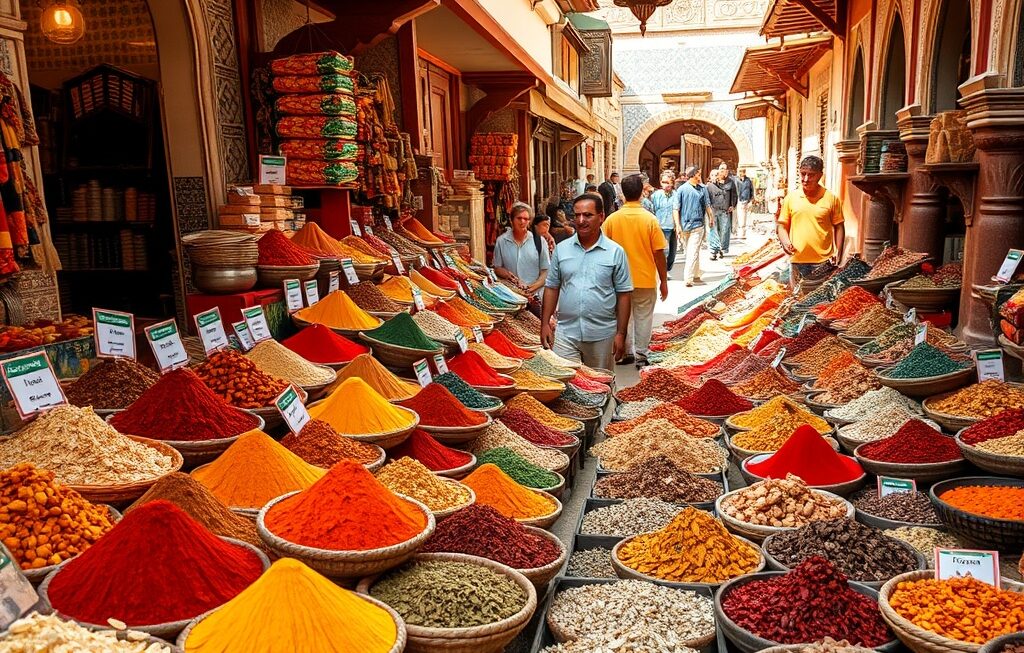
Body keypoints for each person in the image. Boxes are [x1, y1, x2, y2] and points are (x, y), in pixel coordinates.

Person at [541, 193, 633, 371]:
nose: (581, 220)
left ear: (601, 217)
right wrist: (545, 323)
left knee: (600, 387)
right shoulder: (562, 250)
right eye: (577, 215)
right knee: (567, 387)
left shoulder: (615, 252)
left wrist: (621, 333)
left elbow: (624, 294)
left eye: (588, 215)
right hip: (566, 333)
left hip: (602, 335)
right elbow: (552, 287)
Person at [603, 174, 669, 368]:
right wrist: (663, 280)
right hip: (645, 278)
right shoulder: (649, 220)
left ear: (622, 193)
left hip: (618, 281)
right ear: (641, 193)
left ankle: (625, 352)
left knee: (623, 317)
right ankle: (641, 354)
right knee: (643, 317)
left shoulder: (612, 220)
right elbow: (658, 252)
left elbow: (603, 250)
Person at [777, 155, 846, 287]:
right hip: (797, 260)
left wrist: (838, 250)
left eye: (811, 175)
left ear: (820, 175)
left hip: (824, 262)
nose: (806, 179)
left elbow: (839, 226)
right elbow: (782, 226)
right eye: (803, 174)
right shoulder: (791, 198)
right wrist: (785, 242)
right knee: (797, 300)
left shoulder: (831, 198)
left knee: (820, 302)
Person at [492, 202, 550, 299]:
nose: (522, 222)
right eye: (519, 218)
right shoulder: (502, 241)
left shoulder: (539, 241)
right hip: (511, 295)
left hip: (535, 295)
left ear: (529, 221)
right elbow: (497, 267)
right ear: (511, 220)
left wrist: (531, 288)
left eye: (526, 219)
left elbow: (546, 271)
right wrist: (508, 275)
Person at [674, 165, 714, 287]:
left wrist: (711, 217)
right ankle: (696, 273)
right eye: (698, 174)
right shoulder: (681, 190)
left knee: (692, 250)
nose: (700, 176)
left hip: (698, 224)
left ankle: (688, 278)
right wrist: (678, 225)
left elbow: (707, 204)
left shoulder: (703, 189)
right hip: (685, 224)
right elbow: (676, 208)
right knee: (691, 251)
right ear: (693, 175)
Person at [646, 171, 680, 272]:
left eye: (668, 182)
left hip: (672, 226)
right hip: (660, 226)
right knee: (665, 250)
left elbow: (677, 210)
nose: (666, 185)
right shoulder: (656, 195)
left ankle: (667, 268)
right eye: (664, 182)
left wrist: (678, 225)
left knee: (672, 252)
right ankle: (663, 270)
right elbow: (653, 209)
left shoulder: (676, 195)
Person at [705, 168, 737, 260]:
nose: (715, 177)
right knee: (713, 231)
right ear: (710, 177)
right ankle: (714, 250)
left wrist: (732, 205)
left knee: (724, 230)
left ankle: (722, 248)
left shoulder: (727, 184)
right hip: (713, 211)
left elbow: (733, 195)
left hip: (724, 210)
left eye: (716, 175)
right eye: (713, 175)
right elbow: (707, 200)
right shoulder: (708, 187)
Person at [736, 167, 754, 240]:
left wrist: (751, 199)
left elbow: (751, 190)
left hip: (746, 200)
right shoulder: (737, 180)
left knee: (744, 217)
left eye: (742, 172)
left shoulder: (748, 180)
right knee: (739, 216)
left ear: (744, 172)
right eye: (740, 172)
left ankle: (742, 233)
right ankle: (738, 232)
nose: (741, 173)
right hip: (738, 200)